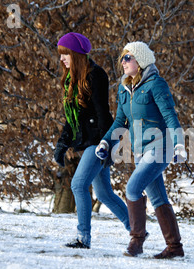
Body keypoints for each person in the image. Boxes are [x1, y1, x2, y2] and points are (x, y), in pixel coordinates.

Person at [96, 41, 187, 259]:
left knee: (133, 188)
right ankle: (175, 247)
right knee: (158, 198)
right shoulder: (124, 88)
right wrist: (106, 142)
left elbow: (170, 117)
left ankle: (136, 240)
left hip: (160, 147)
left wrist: (179, 144)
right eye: (122, 58)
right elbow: (120, 120)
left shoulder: (157, 84)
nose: (123, 62)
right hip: (140, 150)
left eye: (128, 58)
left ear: (141, 61)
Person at [55, 32, 130, 249]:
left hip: (98, 142)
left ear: (76, 54)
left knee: (78, 184)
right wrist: (63, 143)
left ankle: (83, 238)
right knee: (105, 193)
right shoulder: (71, 79)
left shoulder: (95, 75)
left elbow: (102, 114)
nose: (61, 59)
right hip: (88, 142)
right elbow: (72, 120)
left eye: (65, 54)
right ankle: (137, 230)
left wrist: (107, 144)